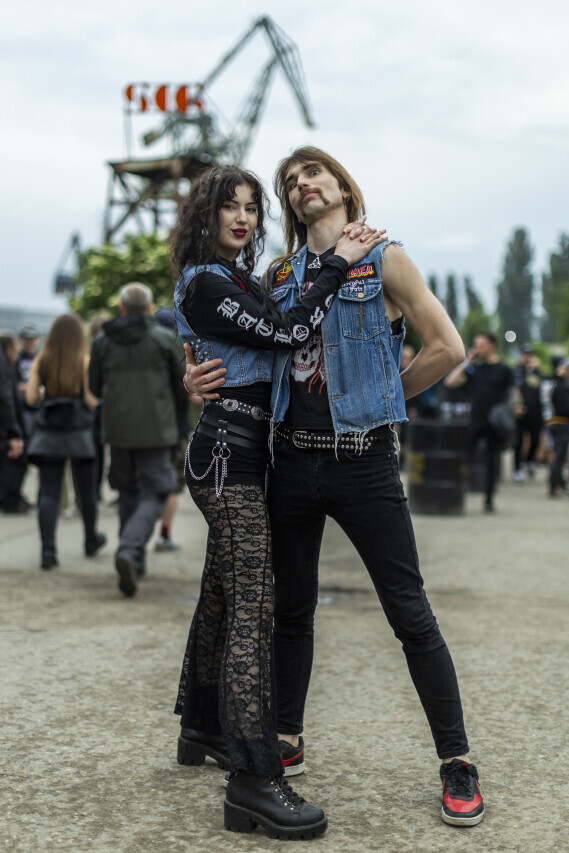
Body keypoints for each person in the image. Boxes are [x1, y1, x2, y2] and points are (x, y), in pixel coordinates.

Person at [187, 147, 484, 828]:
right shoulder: (280, 275)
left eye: (312, 173)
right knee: (291, 612)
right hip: (290, 461)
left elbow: (447, 346)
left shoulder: (384, 259)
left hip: (363, 462)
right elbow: (241, 343)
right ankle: (286, 737)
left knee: (409, 613)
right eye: (290, 182)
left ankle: (456, 759)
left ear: (342, 186)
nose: (301, 185)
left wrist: (381, 397)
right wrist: (193, 375)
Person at [172, 164, 385, 840]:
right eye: (227, 206)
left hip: (243, 451)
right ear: (203, 215)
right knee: (254, 606)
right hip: (226, 456)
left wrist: (193, 371)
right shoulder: (207, 282)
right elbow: (291, 332)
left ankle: (203, 727)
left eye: (250, 208)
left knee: (221, 592)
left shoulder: (236, 279)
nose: (241, 218)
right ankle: (253, 777)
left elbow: (267, 338)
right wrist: (339, 263)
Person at [89, 283, 183, 598]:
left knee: (127, 491)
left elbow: (95, 386)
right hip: (157, 430)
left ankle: (134, 561)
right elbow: (182, 383)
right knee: (158, 490)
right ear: (149, 308)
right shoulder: (163, 339)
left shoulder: (102, 341)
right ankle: (130, 550)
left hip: (117, 430)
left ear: (120, 308)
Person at [25, 314, 106, 569]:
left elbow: (31, 399)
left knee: (48, 494)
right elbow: (91, 402)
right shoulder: (85, 361)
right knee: (86, 493)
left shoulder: (42, 360)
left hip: (49, 435)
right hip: (79, 434)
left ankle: (48, 552)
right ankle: (90, 540)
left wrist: (47, 393)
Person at [445, 331, 515, 512]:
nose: (478, 349)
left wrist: (511, 412)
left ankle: (489, 500)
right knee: (466, 457)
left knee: (491, 461)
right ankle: (456, 494)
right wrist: (467, 361)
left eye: (481, 346)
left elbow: (513, 394)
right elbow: (450, 382)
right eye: (476, 346)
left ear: (492, 346)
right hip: (475, 420)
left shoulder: (504, 369)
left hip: (494, 422)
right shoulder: (474, 369)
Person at [511, 344, 544, 482]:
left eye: (529, 354)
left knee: (535, 439)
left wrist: (536, 369)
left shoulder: (536, 372)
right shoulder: (516, 371)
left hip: (536, 412)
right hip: (521, 412)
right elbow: (513, 390)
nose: (527, 357)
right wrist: (515, 406)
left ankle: (530, 461)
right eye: (525, 354)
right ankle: (517, 468)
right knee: (518, 441)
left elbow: (542, 386)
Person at [546, 357, 569, 497]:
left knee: (559, 455)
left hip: (557, 423)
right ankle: (554, 485)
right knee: (559, 456)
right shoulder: (561, 386)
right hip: (560, 423)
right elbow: (564, 408)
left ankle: (559, 483)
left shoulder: (558, 384)